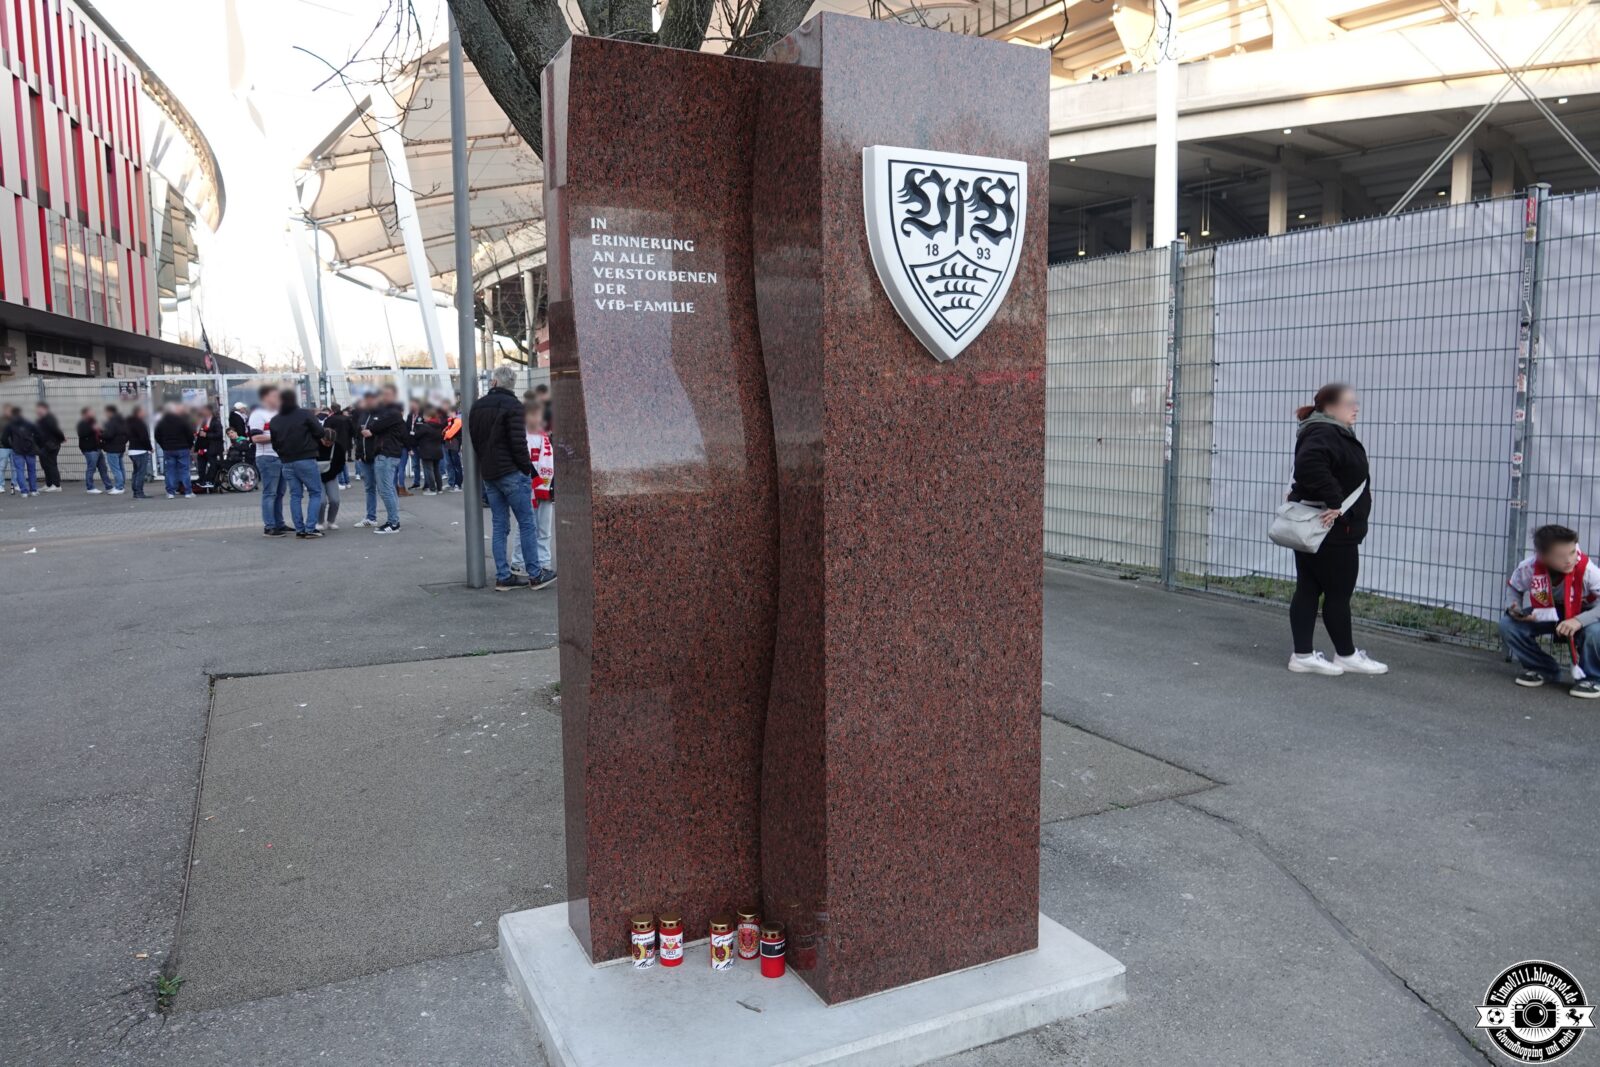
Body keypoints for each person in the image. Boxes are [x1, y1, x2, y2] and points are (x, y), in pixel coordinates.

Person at [1285, 383, 1387, 677]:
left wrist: (1303, 494)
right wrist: (1336, 502)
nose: (1355, 407)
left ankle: (1303, 654)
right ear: (1330, 406)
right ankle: (1346, 655)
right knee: (1338, 593)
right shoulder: (1325, 432)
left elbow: (1312, 470)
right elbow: (1309, 465)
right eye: (1348, 403)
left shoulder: (1321, 429)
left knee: (1308, 587)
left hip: (1317, 525)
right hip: (1332, 530)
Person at [1499, 524, 1600, 698]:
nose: (1570, 560)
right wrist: (1514, 607)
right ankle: (1543, 669)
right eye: (1561, 556)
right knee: (1508, 625)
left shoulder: (1587, 569)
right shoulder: (1528, 568)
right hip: (1548, 611)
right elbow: (1514, 588)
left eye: (1572, 552)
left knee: (1595, 632)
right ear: (1542, 556)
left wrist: (1579, 620)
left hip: (1585, 612)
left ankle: (1592, 678)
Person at [470, 364, 540, 590]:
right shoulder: (514, 406)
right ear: (512, 384)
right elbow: (519, 443)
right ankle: (536, 574)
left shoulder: (477, 407)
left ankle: (503, 575)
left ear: (494, 382)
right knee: (527, 523)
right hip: (511, 472)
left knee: (500, 525)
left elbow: (474, 440)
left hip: (489, 473)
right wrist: (526, 468)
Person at [269, 388, 331, 539]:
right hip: (305, 458)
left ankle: (300, 529)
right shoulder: (304, 414)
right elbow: (320, 432)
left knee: (295, 495)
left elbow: (274, 443)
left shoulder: (275, 419)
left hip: (286, 462)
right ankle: (310, 528)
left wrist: (283, 455)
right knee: (315, 492)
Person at [361, 384, 406, 533]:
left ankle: (393, 523)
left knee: (385, 490)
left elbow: (375, 426)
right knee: (389, 489)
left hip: (386, 454)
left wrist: (372, 428)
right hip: (388, 454)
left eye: (386, 394)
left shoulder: (391, 413)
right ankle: (394, 520)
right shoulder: (392, 412)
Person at [249, 385, 289, 535]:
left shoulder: (280, 414)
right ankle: (270, 525)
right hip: (267, 457)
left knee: (279, 493)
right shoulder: (258, 414)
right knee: (270, 493)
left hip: (281, 457)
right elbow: (256, 438)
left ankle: (279, 523)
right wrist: (278, 436)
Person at [154, 402, 196, 499]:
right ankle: (188, 492)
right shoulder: (183, 420)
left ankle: (170, 492)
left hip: (168, 449)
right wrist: (189, 445)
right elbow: (190, 434)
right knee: (184, 470)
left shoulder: (161, 422)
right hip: (183, 448)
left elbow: (157, 435)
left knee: (170, 471)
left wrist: (163, 445)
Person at [1, 406, 40, 496]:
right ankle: (33, 490)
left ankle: (24, 492)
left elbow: (4, 438)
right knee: (32, 470)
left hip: (17, 450)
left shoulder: (10, 425)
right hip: (30, 450)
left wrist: (11, 446)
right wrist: (34, 443)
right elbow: (38, 434)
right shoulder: (29, 423)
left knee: (19, 470)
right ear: (21, 413)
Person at [318, 417, 346, 531]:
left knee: (335, 500)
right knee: (321, 501)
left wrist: (334, 473)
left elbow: (341, 463)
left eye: (330, 443)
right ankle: (319, 521)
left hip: (331, 476)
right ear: (321, 438)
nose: (328, 445)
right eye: (326, 442)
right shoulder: (313, 445)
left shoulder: (338, 447)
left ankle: (331, 521)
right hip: (317, 477)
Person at [77, 408, 111, 493]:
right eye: (90, 412)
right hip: (89, 449)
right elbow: (82, 434)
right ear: (85, 414)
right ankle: (90, 487)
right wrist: (92, 429)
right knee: (91, 468)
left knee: (103, 468)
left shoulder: (93, 422)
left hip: (97, 448)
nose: (93, 413)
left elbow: (99, 432)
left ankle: (109, 486)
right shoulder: (82, 423)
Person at [413, 406, 445, 494]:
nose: (423, 417)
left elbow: (416, 435)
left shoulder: (425, 427)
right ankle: (440, 488)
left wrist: (413, 432)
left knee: (429, 469)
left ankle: (432, 489)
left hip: (427, 451)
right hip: (437, 450)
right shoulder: (439, 426)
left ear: (429, 417)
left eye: (425, 416)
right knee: (436, 469)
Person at [193, 406, 225, 490]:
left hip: (212, 448)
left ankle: (209, 480)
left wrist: (207, 435)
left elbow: (219, 434)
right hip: (202, 447)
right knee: (201, 466)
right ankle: (202, 480)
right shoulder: (202, 421)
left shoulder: (216, 422)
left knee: (213, 464)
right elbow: (199, 433)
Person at [34, 403, 64, 491]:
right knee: (45, 465)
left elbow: (56, 430)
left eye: (39, 409)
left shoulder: (49, 418)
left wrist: (61, 439)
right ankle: (49, 484)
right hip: (43, 446)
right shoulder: (41, 420)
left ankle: (57, 485)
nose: (37, 411)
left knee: (51, 464)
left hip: (51, 445)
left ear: (45, 409)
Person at [323, 403, 354, 488]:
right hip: (346, 443)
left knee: (336, 462)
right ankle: (347, 481)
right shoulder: (347, 419)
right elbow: (352, 431)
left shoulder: (329, 419)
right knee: (343, 462)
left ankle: (341, 482)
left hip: (334, 443)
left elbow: (325, 432)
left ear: (332, 409)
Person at [126, 405, 154, 499]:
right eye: (143, 411)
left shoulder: (130, 423)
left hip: (132, 450)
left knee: (136, 472)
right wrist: (150, 448)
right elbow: (144, 437)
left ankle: (135, 491)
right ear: (139, 413)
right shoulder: (139, 423)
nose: (145, 413)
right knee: (141, 472)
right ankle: (139, 492)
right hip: (140, 450)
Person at [100, 405, 129, 494]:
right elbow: (127, 434)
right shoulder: (123, 421)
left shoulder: (112, 422)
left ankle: (119, 487)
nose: (105, 414)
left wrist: (101, 435)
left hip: (112, 448)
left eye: (106, 412)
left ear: (110, 412)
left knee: (115, 469)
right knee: (120, 468)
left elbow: (109, 435)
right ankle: (122, 485)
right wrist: (123, 442)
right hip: (120, 448)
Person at [442, 405, 464, 491]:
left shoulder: (457, 421)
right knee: (451, 464)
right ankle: (453, 483)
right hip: (450, 444)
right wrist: (445, 433)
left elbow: (448, 434)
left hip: (455, 445)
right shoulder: (451, 421)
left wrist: (445, 434)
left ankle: (458, 484)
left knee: (456, 465)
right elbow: (444, 432)